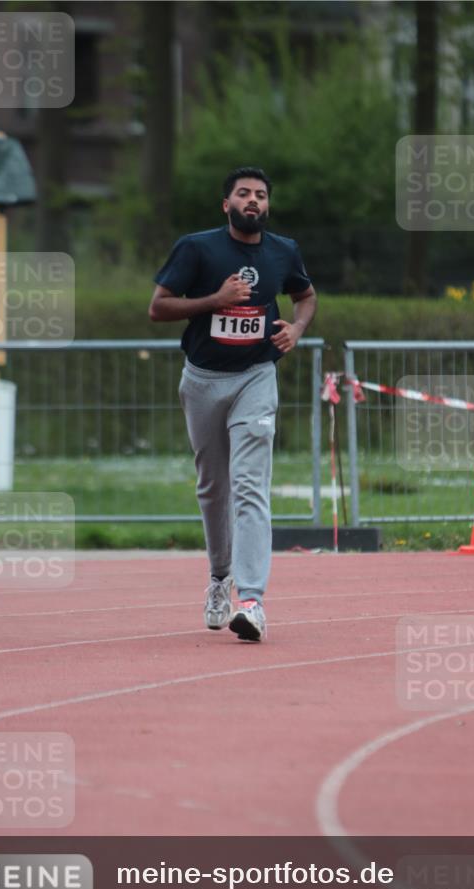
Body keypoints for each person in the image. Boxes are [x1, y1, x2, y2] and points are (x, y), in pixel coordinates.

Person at [149, 167, 317, 641]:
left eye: (260, 194)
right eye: (243, 194)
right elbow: (158, 307)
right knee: (213, 487)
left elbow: (305, 296)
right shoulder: (197, 248)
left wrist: (297, 328)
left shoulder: (283, 251)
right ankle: (220, 577)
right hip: (202, 380)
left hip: (256, 377)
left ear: (267, 205)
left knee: (249, 486)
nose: (253, 201)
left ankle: (252, 601)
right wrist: (215, 299)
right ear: (227, 205)